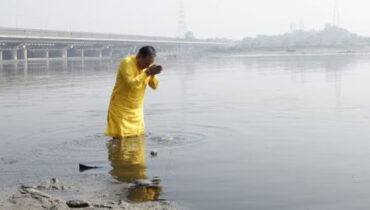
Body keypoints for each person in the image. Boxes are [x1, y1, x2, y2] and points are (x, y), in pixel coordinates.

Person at [105, 46, 162, 139]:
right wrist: (147, 73)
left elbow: (154, 86)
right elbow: (131, 83)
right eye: (146, 63)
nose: (147, 66)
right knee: (120, 140)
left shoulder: (148, 68)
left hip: (137, 111)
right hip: (121, 110)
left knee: (138, 140)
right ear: (139, 56)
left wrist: (153, 75)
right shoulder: (126, 63)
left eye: (150, 64)